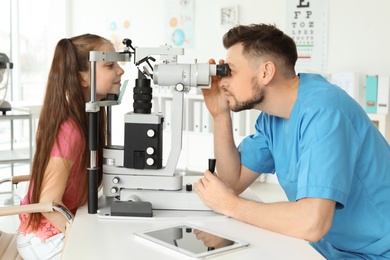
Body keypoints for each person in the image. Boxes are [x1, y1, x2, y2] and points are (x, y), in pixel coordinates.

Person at [194, 23, 390, 259]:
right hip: (329, 248)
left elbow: (312, 223)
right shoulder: (273, 119)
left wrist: (232, 205)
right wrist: (219, 114)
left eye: (230, 71)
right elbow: (231, 181)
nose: (222, 81)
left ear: (266, 72)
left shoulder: (325, 111)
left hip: (377, 253)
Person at [16, 34, 124, 259]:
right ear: (82, 78)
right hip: (42, 237)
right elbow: (49, 203)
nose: (120, 71)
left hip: (54, 227)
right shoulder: (71, 129)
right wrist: (82, 234)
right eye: (110, 65)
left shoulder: (86, 117)